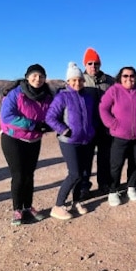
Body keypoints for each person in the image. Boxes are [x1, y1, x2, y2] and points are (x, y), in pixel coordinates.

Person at [0, 64, 54, 226]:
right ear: (27, 77)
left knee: (29, 174)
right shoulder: (16, 94)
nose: (38, 79)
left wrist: (51, 125)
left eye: (41, 76)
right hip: (13, 138)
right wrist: (33, 125)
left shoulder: (47, 96)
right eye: (34, 76)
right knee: (19, 175)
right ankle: (17, 209)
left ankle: (28, 207)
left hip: (33, 140)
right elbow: (7, 116)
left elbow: (53, 114)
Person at [46, 62, 97, 220]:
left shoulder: (87, 97)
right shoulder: (63, 96)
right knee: (74, 173)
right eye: (73, 80)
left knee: (83, 174)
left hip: (86, 140)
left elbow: (92, 117)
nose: (77, 83)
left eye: (80, 80)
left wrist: (92, 131)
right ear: (68, 81)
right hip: (69, 141)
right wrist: (64, 130)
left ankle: (77, 201)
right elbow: (50, 117)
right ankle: (58, 205)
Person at [99, 66, 136, 206]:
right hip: (120, 136)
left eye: (132, 76)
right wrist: (112, 124)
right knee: (116, 164)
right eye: (125, 76)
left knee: (135, 163)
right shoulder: (114, 90)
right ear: (120, 77)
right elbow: (103, 108)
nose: (129, 78)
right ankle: (113, 191)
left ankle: (131, 187)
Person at [80, 47, 116, 197]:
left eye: (96, 63)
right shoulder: (79, 80)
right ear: (85, 64)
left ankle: (104, 184)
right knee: (85, 158)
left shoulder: (110, 81)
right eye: (90, 63)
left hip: (105, 126)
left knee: (105, 157)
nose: (93, 66)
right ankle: (84, 187)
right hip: (87, 127)